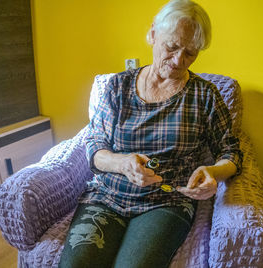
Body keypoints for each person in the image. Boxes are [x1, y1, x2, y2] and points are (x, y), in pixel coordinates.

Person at [59, 0, 243, 267]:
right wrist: (122, 164)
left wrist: (214, 173)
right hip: (107, 196)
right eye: (172, 47)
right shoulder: (117, 86)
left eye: (190, 53)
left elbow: (232, 152)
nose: (179, 60)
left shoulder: (205, 96)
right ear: (153, 34)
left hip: (166, 201)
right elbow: (94, 144)